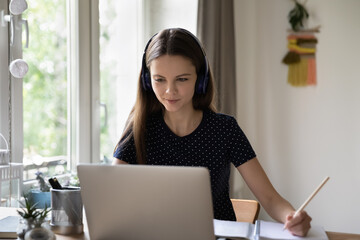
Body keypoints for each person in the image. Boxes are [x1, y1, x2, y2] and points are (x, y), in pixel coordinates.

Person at [113, 28, 312, 236]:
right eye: (159, 79)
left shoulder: (225, 129)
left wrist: (292, 216)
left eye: (181, 79)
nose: (169, 91)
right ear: (147, 80)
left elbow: (270, 199)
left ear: (201, 80)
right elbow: (110, 195)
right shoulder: (139, 128)